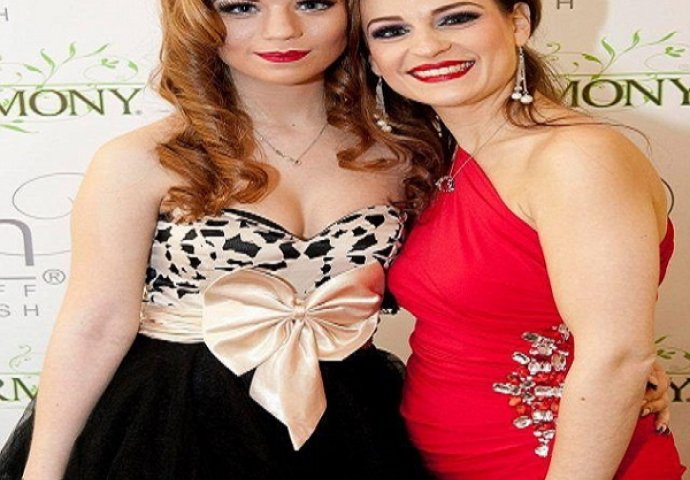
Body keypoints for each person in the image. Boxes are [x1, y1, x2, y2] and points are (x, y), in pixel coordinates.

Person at [0, 1, 437, 479]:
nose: (282, 30)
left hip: (353, 423)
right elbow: (96, 324)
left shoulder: (404, 157)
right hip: (173, 426)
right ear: (197, 17)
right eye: (241, 7)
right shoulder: (142, 159)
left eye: (312, 3)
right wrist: (41, 471)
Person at [353, 0, 686, 478]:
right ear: (370, 56)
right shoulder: (449, 155)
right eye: (391, 31)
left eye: (456, 18)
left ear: (518, 22)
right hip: (442, 461)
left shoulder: (574, 157)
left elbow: (617, 357)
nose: (426, 46)